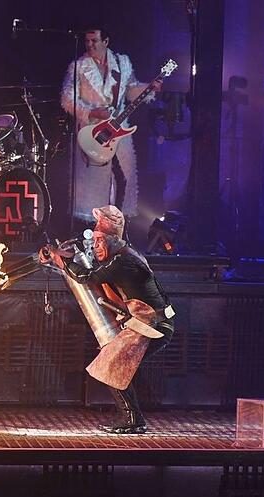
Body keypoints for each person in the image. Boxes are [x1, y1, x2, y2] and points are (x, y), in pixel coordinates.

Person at [41, 206, 175, 434]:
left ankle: (132, 420)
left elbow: (87, 276)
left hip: (152, 325)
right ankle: (132, 419)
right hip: (146, 323)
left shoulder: (123, 261)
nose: (96, 245)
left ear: (114, 239)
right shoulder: (123, 256)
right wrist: (65, 257)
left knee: (111, 363)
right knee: (114, 362)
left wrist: (59, 260)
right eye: (95, 239)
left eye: (100, 240)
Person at [60, 27, 161, 227]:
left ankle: (120, 228)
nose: (90, 45)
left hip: (119, 130)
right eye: (87, 41)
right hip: (92, 133)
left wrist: (149, 88)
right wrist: (94, 113)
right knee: (94, 186)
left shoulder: (122, 63)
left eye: (94, 41)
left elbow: (131, 91)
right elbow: (66, 100)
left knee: (125, 176)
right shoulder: (78, 67)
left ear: (106, 41)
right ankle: (90, 229)